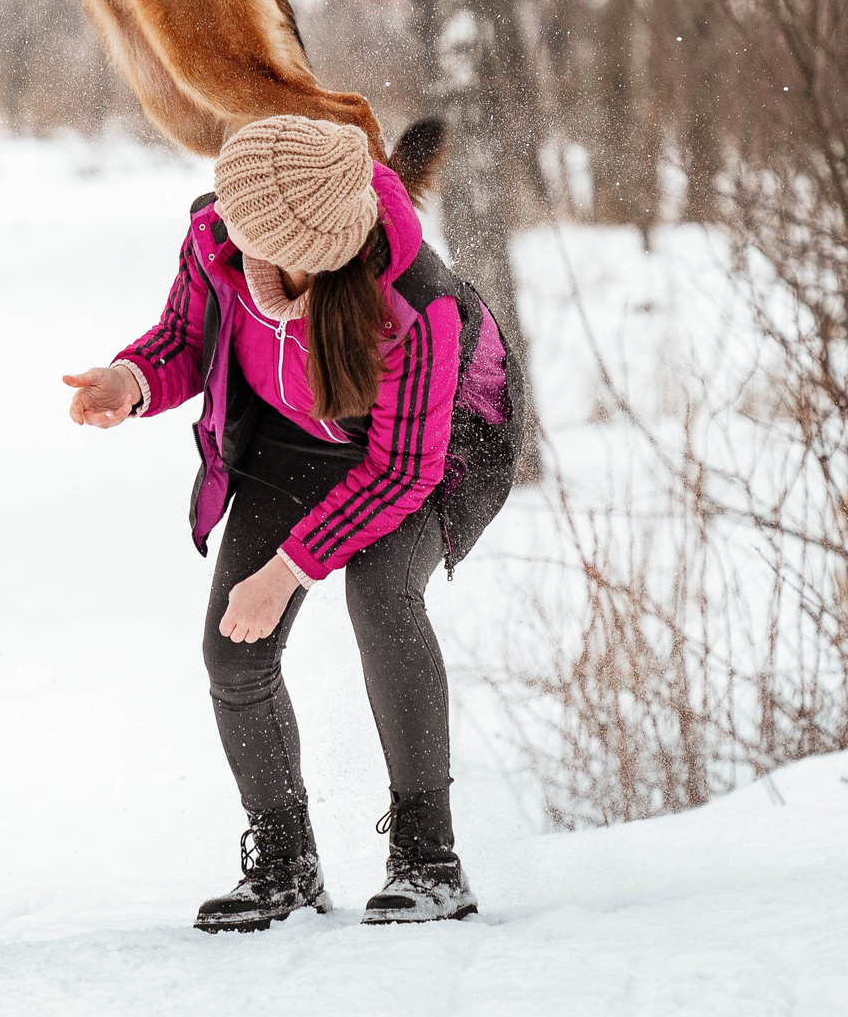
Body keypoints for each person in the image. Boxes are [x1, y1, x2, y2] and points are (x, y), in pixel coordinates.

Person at [63, 114, 524, 932]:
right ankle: (285, 864)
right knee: (232, 650)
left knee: (380, 594)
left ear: (305, 248)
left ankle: (429, 861)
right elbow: (187, 333)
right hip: (292, 436)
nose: (220, 228)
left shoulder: (414, 304)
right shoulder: (223, 233)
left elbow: (401, 470)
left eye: (243, 224)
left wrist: (287, 569)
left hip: (433, 447)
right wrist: (131, 381)